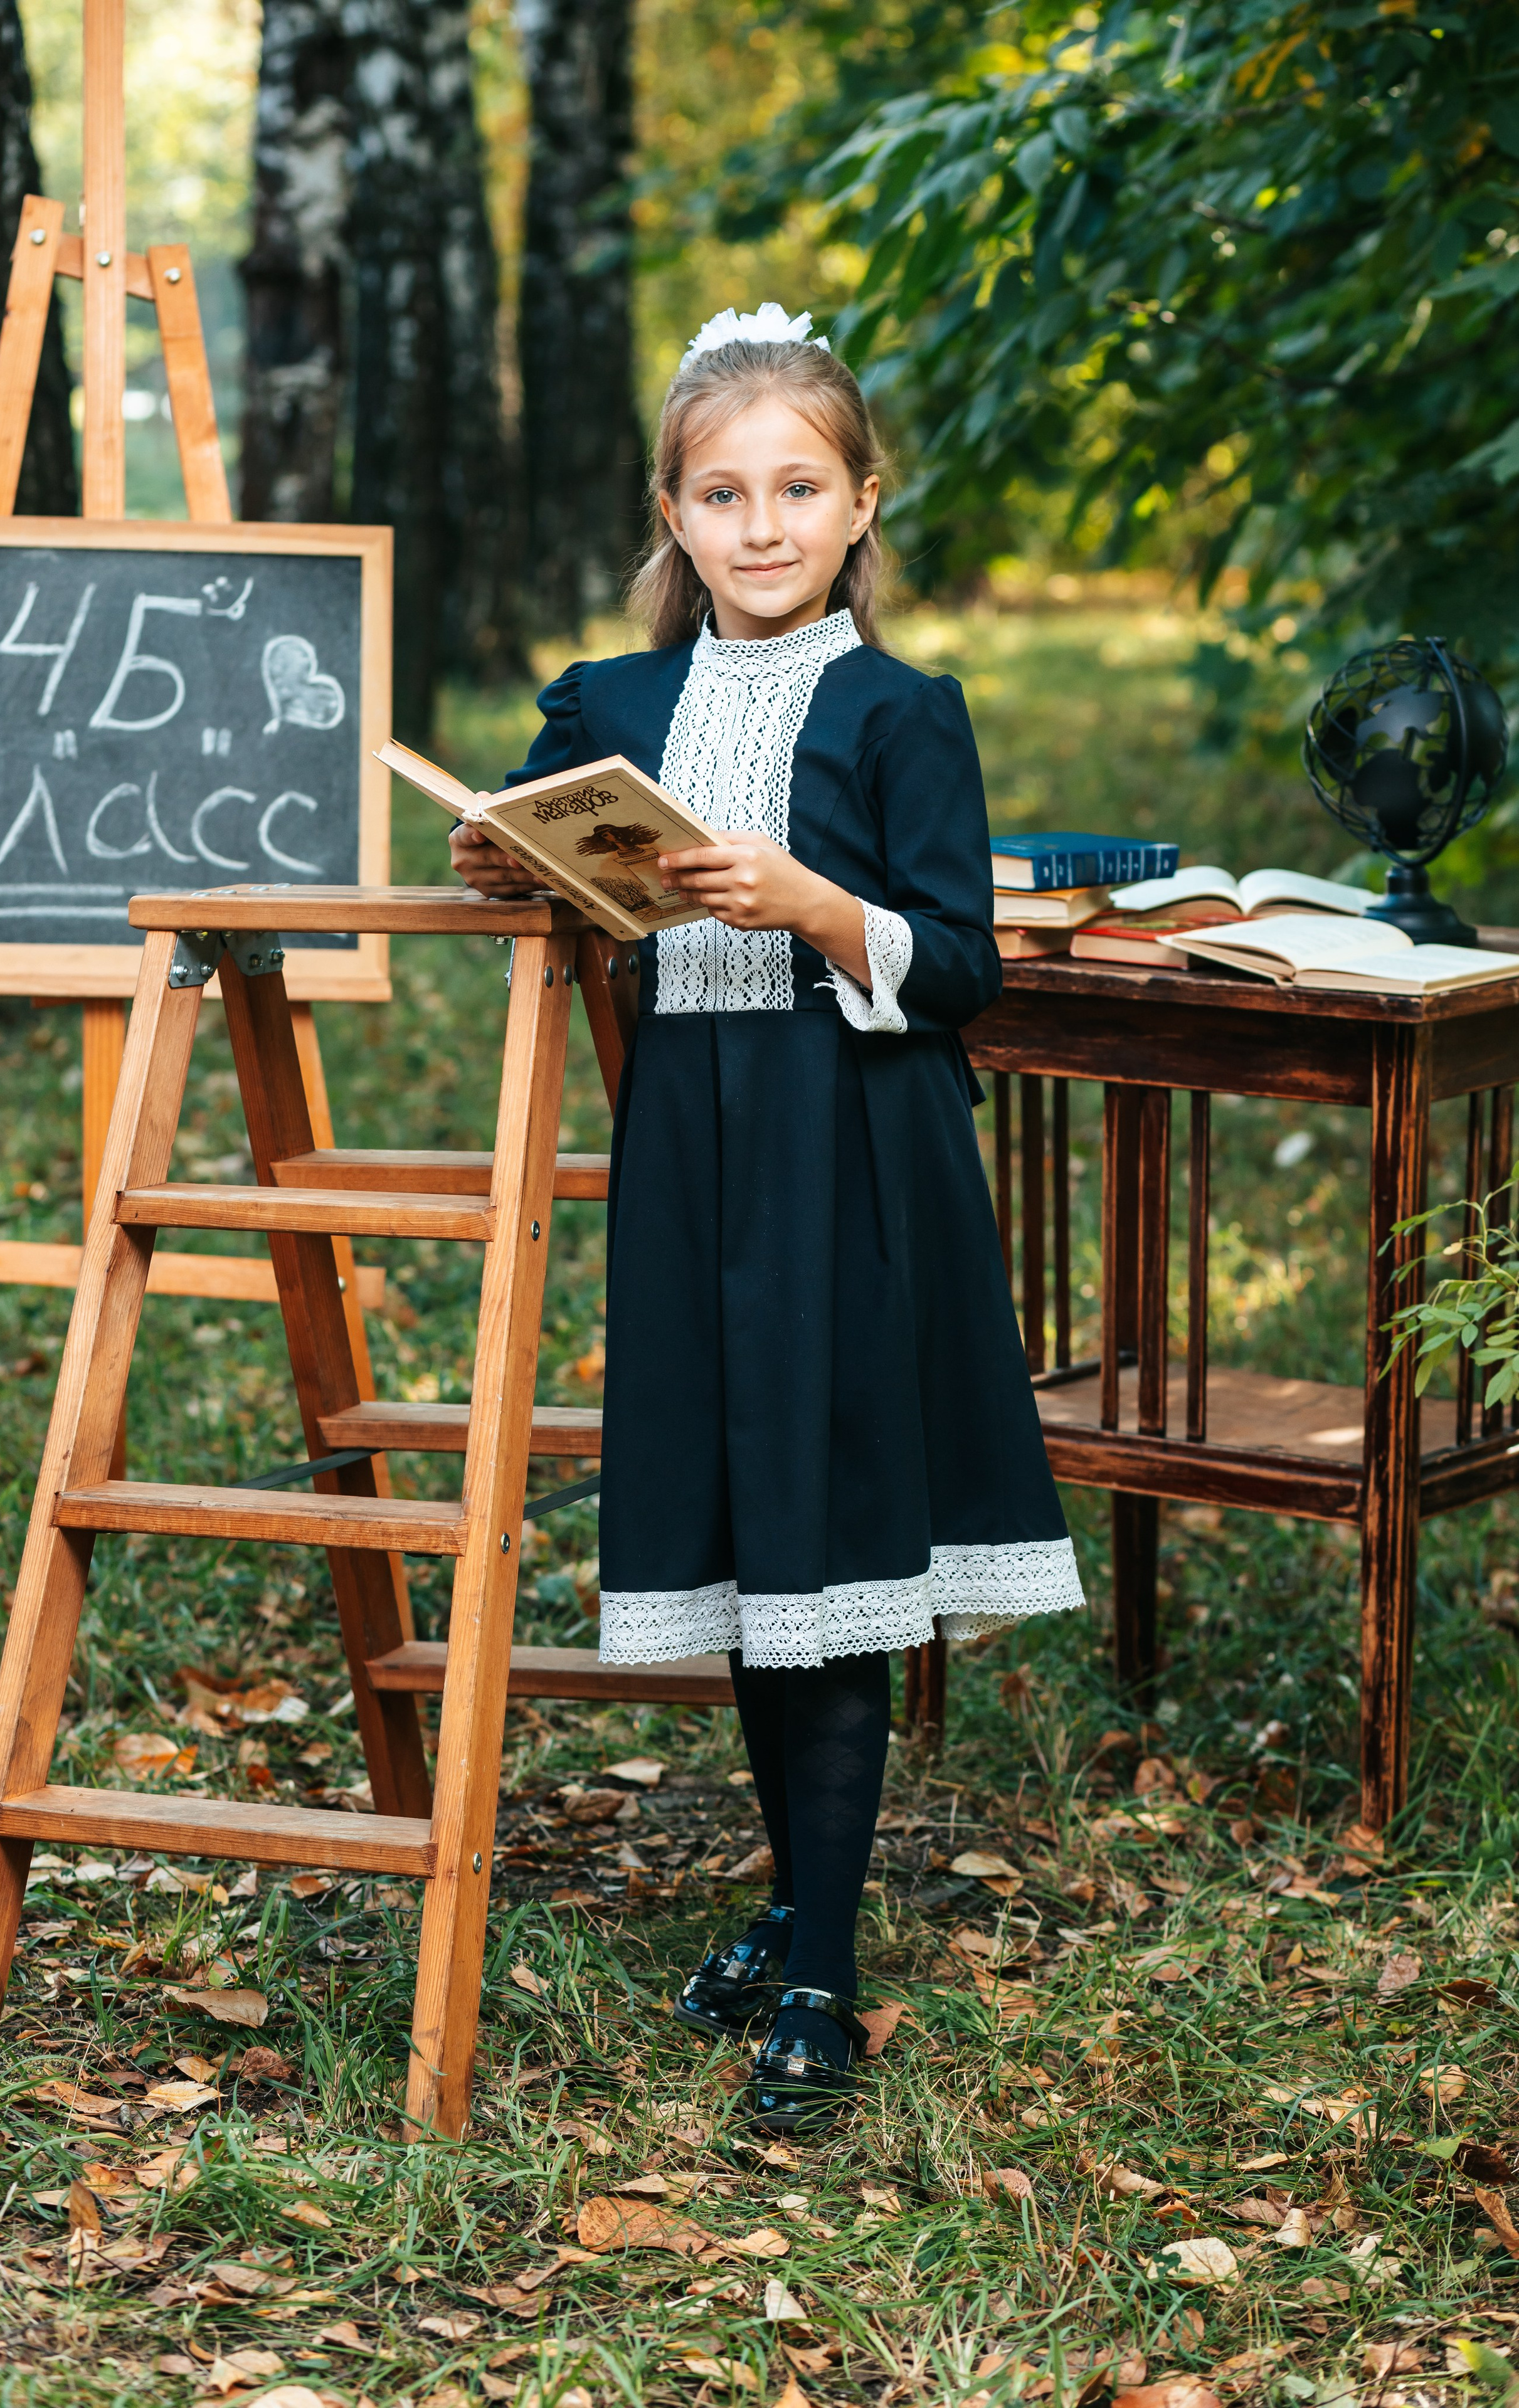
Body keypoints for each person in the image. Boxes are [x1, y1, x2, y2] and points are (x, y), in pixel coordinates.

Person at [452, 301, 1084, 2131]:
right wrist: (499, 857)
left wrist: (811, 902)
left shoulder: (904, 712)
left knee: (833, 1527)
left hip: (851, 1147)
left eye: (799, 487)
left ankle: (820, 1972)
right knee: (745, 1527)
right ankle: (800, 1904)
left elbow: (961, 968)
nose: (762, 524)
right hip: (691, 1150)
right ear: (672, 513)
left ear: (862, 501)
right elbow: (549, 844)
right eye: (722, 493)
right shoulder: (613, 704)